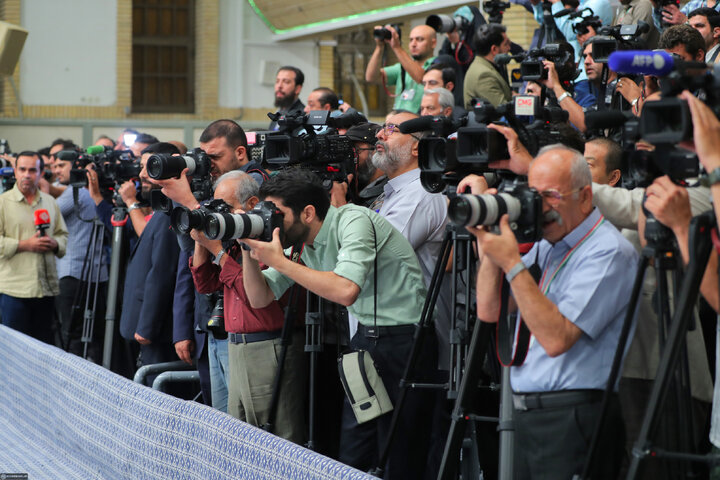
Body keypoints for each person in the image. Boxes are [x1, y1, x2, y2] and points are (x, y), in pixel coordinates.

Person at [241, 169, 433, 479]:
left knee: (399, 452)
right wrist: (248, 253)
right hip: (365, 343)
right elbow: (260, 297)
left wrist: (279, 261)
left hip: (405, 340)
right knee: (354, 453)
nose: (271, 222)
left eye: (277, 214)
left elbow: (345, 290)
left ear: (308, 212)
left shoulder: (353, 220)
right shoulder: (301, 242)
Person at [471, 145, 638, 479]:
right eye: (533, 195)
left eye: (551, 195)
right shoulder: (548, 243)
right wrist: (489, 246)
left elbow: (557, 338)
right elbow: (490, 311)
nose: (540, 207)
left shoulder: (609, 252)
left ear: (586, 196)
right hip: (528, 411)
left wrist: (513, 263)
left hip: (573, 416)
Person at [189, 170, 306, 442]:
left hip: (269, 347)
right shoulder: (233, 241)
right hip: (235, 345)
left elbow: (256, 295)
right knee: (239, 437)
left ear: (252, 205)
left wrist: (218, 251)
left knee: (277, 436)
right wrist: (202, 241)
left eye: (226, 208)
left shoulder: (272, 240)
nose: (220, 214)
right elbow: (206, 285)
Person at [119, 148, 180, 371]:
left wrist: (147, 327)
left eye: (149, 167)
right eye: (141, 167)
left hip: (158, 333)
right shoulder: (160, 209)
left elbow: (162, 272)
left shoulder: (170, 212)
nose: (142, 174)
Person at [0, 151, 68, 344]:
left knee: (43, 350)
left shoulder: (49, 202)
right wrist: (24, 245)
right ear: (15, 171)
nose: (27, 175)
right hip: (14, 290)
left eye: (32, 170)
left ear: (41, 173)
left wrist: (55, 243)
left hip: (45, 289)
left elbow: (63, 235)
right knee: (14, 350)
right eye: (22, 169)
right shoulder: (3, 203)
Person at [52, 151, 109, 360]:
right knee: (93, 338)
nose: (56, 170)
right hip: (95, 275)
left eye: (61, 165)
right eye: (54, 166)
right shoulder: (92, 193)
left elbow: (46, 216)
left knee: (71, 337)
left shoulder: (76, 192)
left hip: (73, 274)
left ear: (78, 167)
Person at [365, 24, 437, 113]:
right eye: (411, 40)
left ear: (433, 43)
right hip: (396, 123)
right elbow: (371, 77)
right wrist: (379, 47)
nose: (413, 44)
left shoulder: (438, 64)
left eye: (419, 39)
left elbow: (421, 78)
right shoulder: (402, 67)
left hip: (419, 123)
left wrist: (396, 47)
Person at [463, 23, 512, 109]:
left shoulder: (482, 65)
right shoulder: (484, 75)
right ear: (494, 49)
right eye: (506, 44)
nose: (509, 48)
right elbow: (504, 110)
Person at [269, 66, 305, 131]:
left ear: (297, 89)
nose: (279, 86)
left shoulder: (301, 116)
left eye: (286, 82)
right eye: (277, 81)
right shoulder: (278, 112)